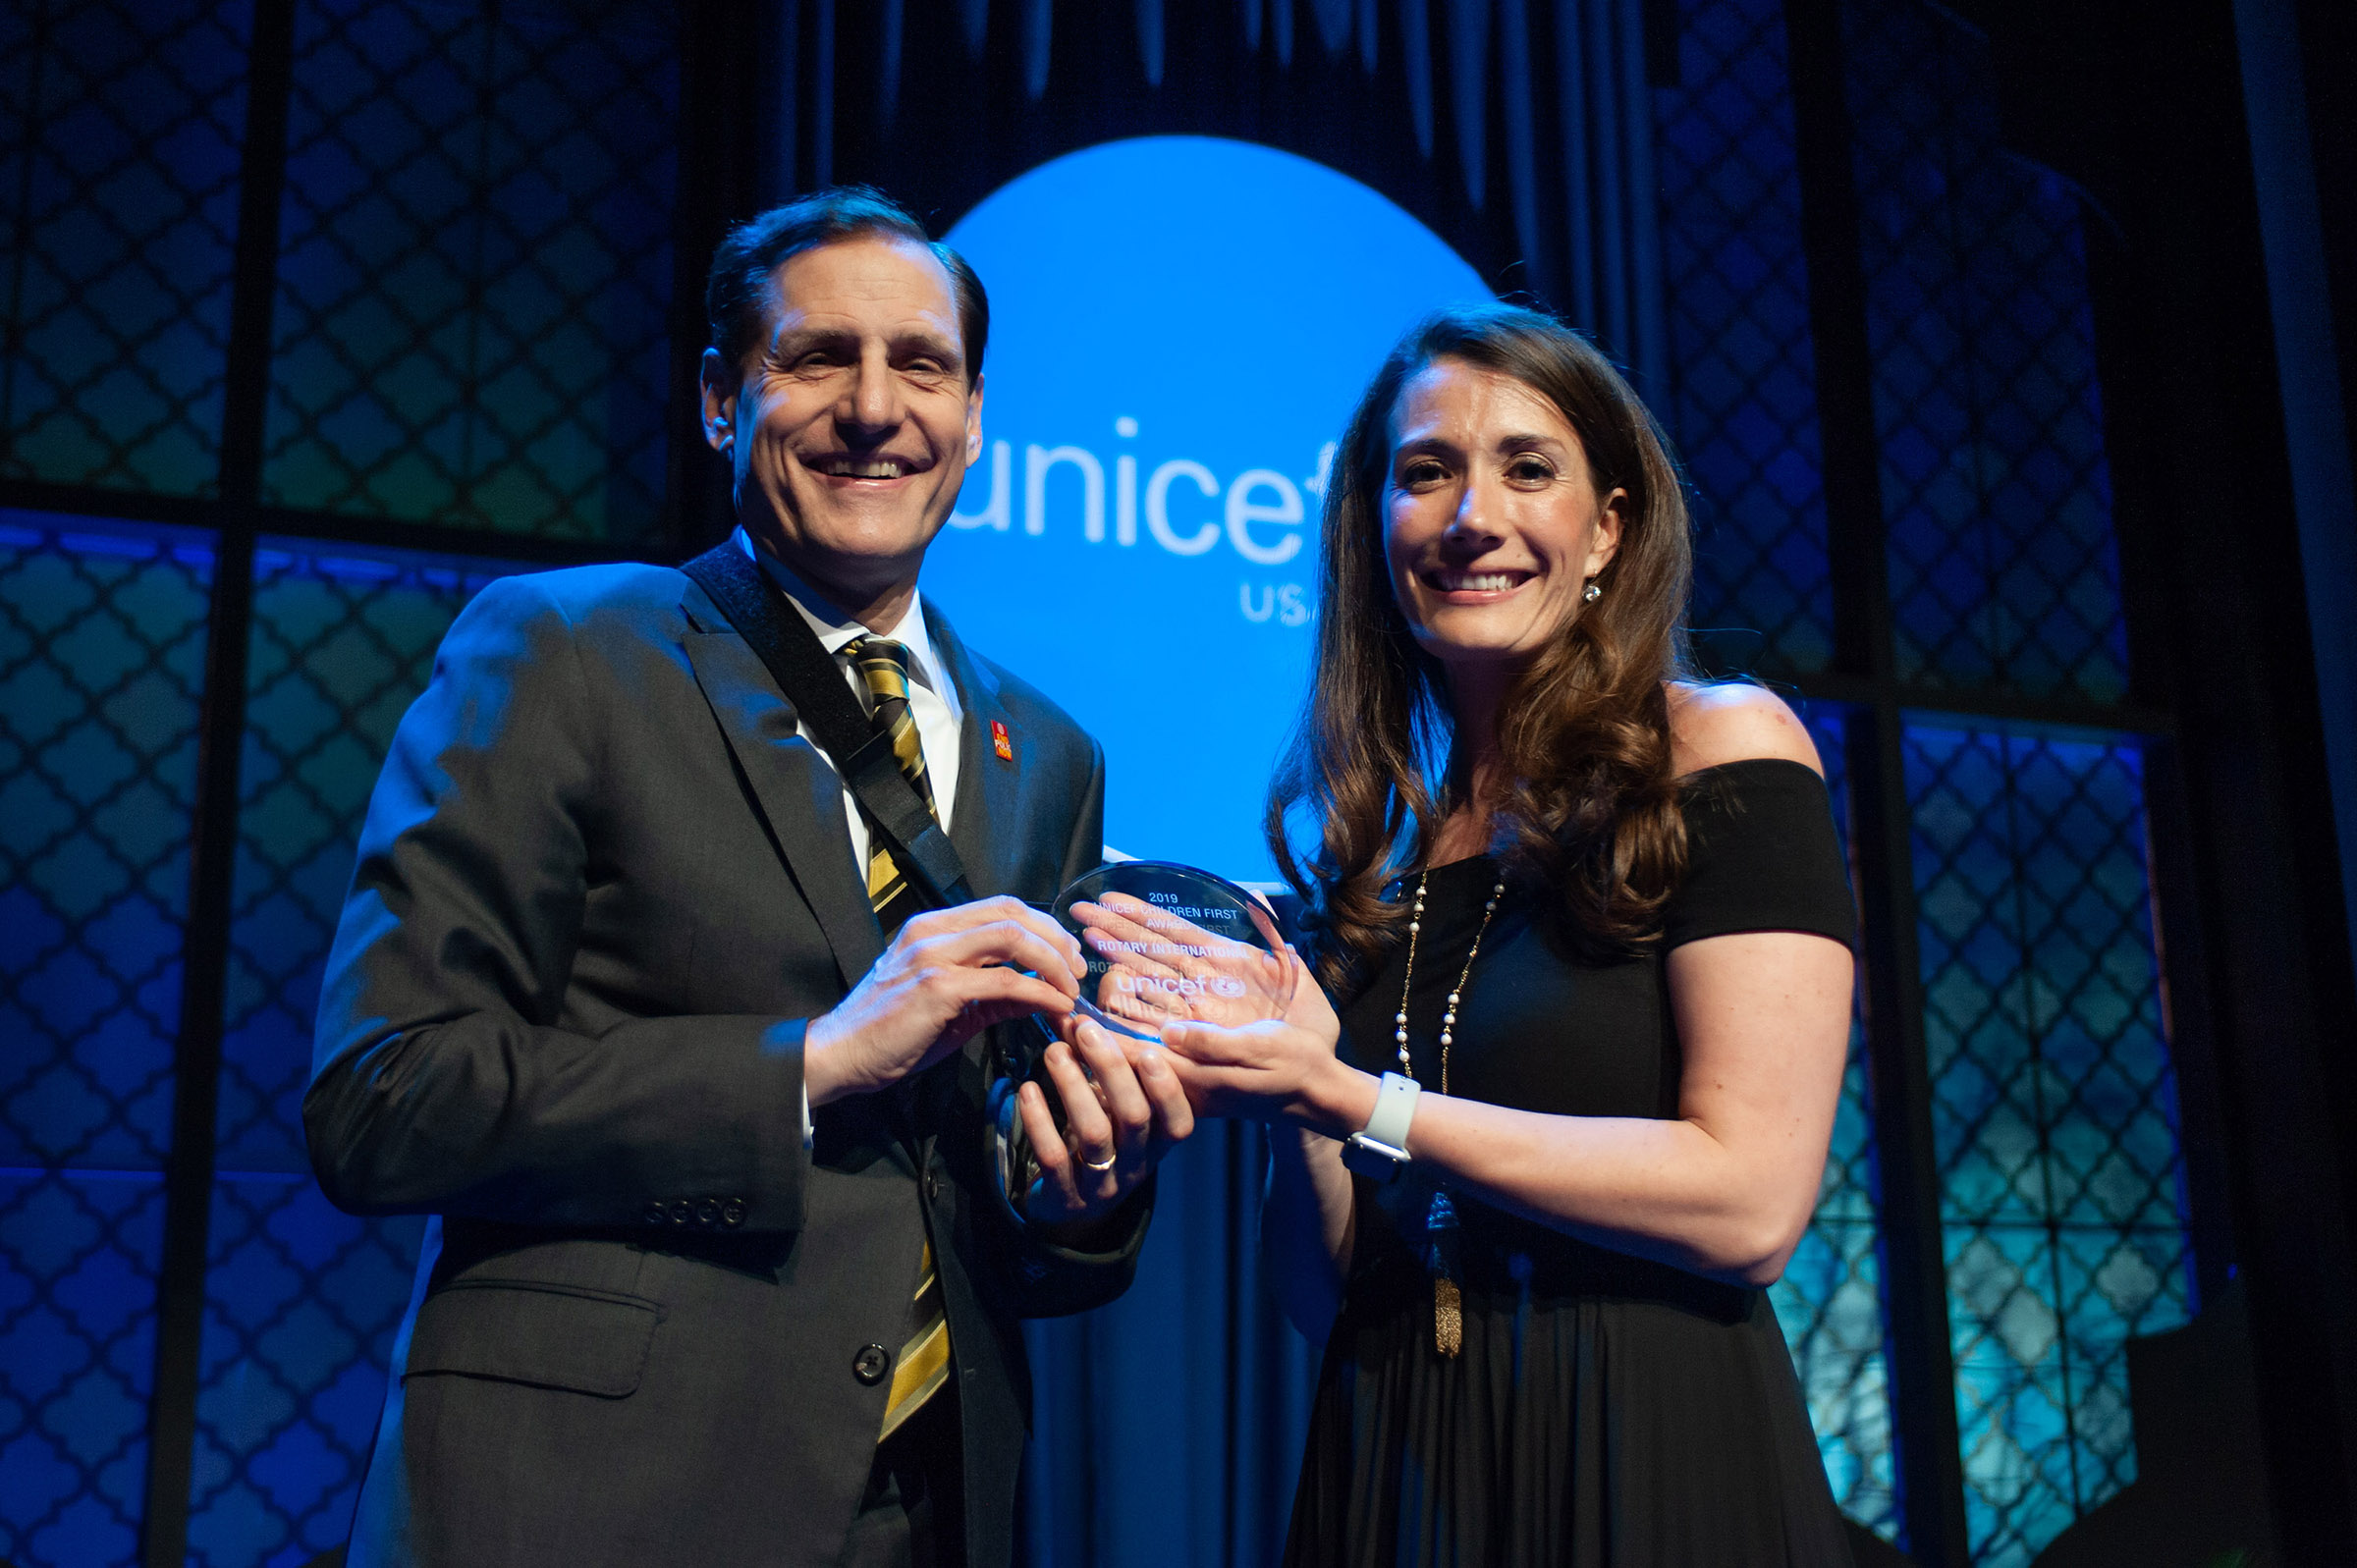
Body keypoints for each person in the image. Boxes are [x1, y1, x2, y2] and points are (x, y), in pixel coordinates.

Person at [305, 187, 1195, 1568]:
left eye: (922, 366)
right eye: (816, 358)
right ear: (723, 400)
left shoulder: (1050, 753)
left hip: (920, 1513)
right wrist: (814, 1062)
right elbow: (382, 1100)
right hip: (583, 1499)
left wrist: (1082, 1192)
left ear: (972, 419)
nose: (873, 407)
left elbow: (994, 1215)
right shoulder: (567, 648)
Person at [1152, 302, 1860, 1564]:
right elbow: (1323, 1298)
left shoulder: (1722, 747)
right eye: (1426, 471)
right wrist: (1301, 1103)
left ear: (1607, 529)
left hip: (1645, 1442)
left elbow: (1752, 1201)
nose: (1473, 513)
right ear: (1376, 534)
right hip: (1401, 1457)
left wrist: (1363, 1101)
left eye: (1527, 467)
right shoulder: (1372, 863)